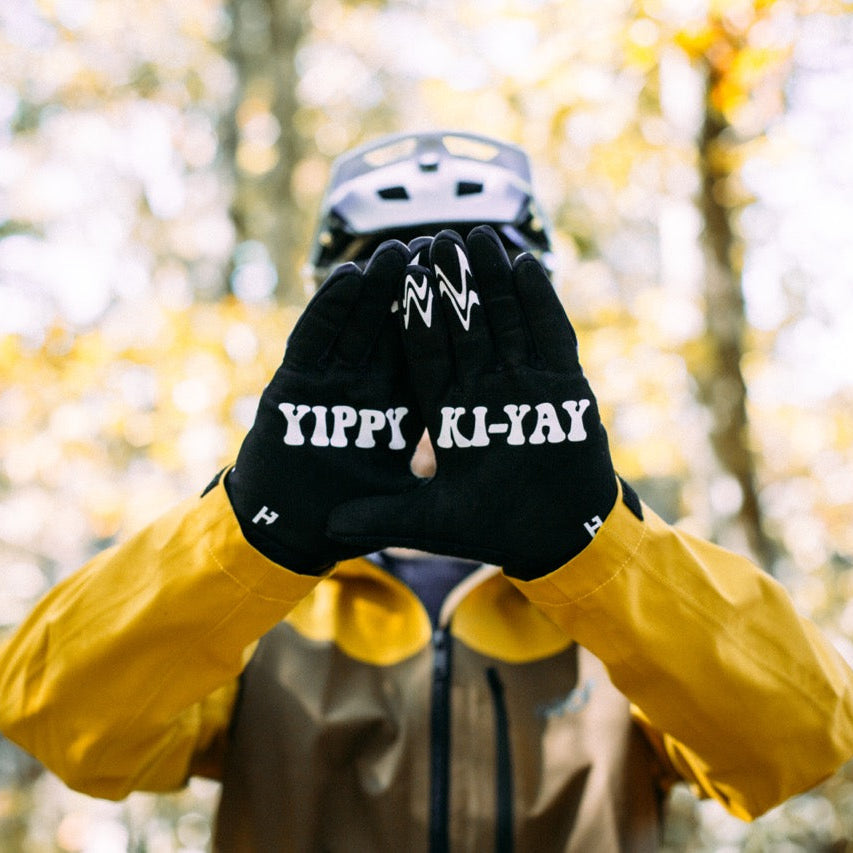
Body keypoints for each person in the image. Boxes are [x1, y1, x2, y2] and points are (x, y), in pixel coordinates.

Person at [1, 130, 852, 853]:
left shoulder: (624, 588)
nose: (436, 344)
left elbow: (804, 739)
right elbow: (54, 713)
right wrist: (251, 531)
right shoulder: (259, 603)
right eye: (393, 306)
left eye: (475, 306)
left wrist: (593, 546)